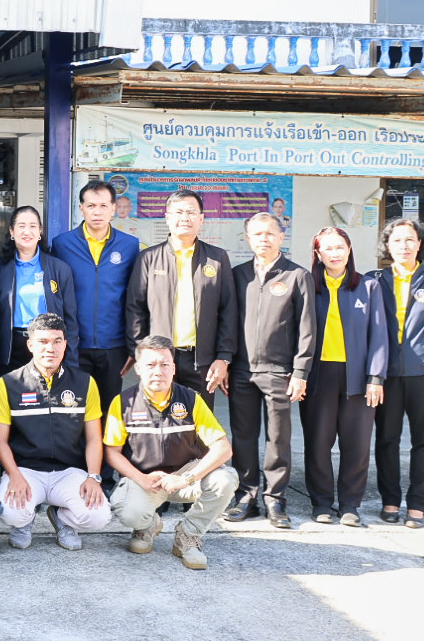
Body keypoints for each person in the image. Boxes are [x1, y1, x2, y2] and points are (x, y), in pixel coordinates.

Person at [103, 336, 238, 570]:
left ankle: (187, 534)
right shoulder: (122, 402)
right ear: (138, 369)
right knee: (125, 509)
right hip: (146, 480)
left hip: (185, 476)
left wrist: (187, 478)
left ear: (174, 368)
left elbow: (223, 448)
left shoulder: (191, 399)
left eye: (165, 364)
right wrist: (140, 478)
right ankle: (147, 526)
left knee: (225, 480)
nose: (158, 371)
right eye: (150, 364)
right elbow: (112, 452)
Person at [224, 212, 315, 529]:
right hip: (242, 371)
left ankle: (275, 499)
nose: (263, 238)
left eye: (269, 233)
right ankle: (245, 497)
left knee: (278, 439)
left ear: (280, 236)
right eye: (257, 234)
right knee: (243, 436)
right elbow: (227, 323)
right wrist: (225, 362)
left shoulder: (297, 276)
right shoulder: (237, 275)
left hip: (279, 372)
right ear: (248, 238)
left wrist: (300, 371)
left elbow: (307, 329)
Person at [0, 313, 110, 551]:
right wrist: (14, 474)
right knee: (11, 512)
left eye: (57, 341)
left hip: (69, 471)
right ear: (30, 345)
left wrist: (93, 477)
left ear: (65, 344)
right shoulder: (9, 383)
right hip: (26, 470)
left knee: (99, 516)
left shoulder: (84, 382)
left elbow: (94, 438)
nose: (50, 348)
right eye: (43, 341)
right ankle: (24, 521)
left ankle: (62, 519)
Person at [367, 219, 424, 529]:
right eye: (397, 240)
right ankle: (390, 500)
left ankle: (418, 504)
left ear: (420, 244)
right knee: (386, 439)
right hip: (387, 374)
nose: (404, 246)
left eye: (410, 240)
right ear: (387, 245)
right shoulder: (374, 280)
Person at [301, 227, 388, 527]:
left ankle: (350, 503)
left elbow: (379, 335)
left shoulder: (369, 287)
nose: (335, 253)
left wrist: (375, 377)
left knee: (357, 444)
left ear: (349, 250)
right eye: (328, 248)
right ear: (318, 253)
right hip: (318, 374)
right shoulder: (307, 285)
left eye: (340, 247)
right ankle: (321, 502)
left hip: (358, 376)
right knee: (318, 442)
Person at [123, 188, 236, 407]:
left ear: (201, 218)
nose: (185, 218)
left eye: (191, 212)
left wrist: (224, 357)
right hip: (160, 359)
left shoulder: (217, 258)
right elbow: (135, 308)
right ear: (167, 218)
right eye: (179, 212)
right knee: (159, 419)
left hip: (202, 362)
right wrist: (141, 352)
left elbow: (228, 310)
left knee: (198, 421)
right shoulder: (148, 258)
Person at [54, 181, 139, 410]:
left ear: (113, 208)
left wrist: (133, 344)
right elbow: (55, 296)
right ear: (81, 209)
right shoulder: (62, 244)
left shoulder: (129, 245)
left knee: (109, 409)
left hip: (113, 345)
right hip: (74, 344)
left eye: (103, 206)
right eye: (91, 206)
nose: (97, 212)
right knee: (73, 409)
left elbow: (134, 298)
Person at [0, 205, 78, 381]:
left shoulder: (59, 269)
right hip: (9, 349)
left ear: (40, 232)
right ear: (11, 231)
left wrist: (70, 362)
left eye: (32, 226)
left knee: (46, 396)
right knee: (10, 396)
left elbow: (70, 320)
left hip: (47, 347)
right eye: (21, 226)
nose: (27, 231)